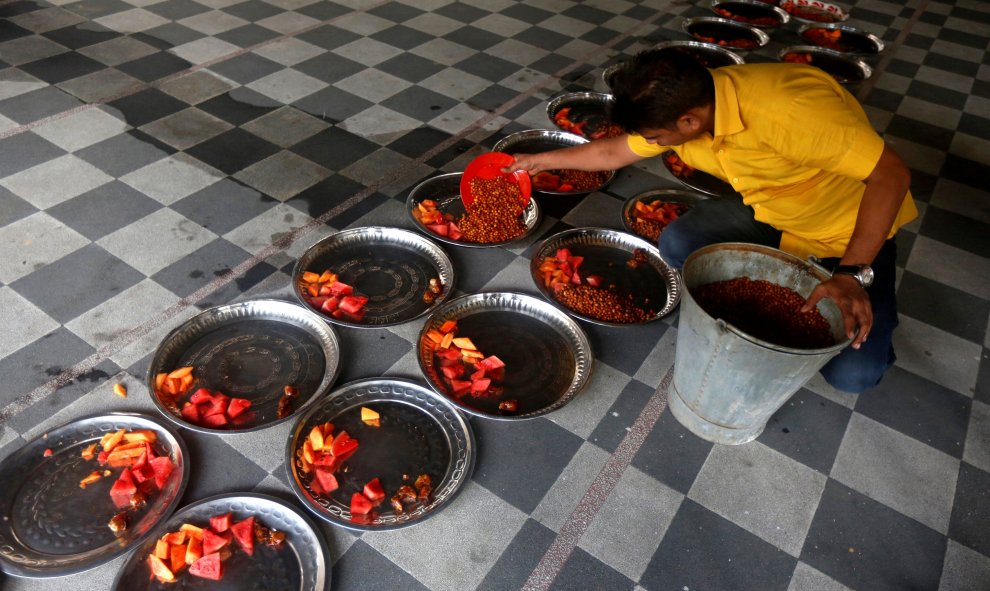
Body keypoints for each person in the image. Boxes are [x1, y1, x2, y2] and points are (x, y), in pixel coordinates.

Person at [506, 48, 917, 394]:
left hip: (846, 234)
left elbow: (892, 175)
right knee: (679, 241)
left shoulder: (792, 109)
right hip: (770, 211)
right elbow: (612, 154)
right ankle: (772, 275)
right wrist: (538, 161)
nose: (652, 145)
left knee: (853, 376)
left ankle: (860, 309)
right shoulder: (686, 102)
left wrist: (850, 274)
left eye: (656, 138)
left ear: (688, 121)